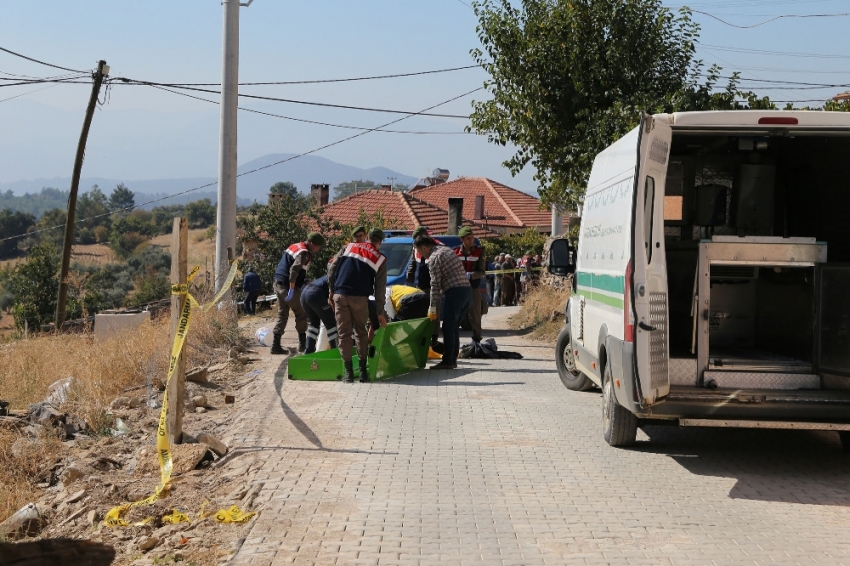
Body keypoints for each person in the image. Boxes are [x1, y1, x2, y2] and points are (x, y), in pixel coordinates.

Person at [328, 228, 388, 383]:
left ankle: (348, 373)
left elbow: (332, 269)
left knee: (344, 333)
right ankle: (362, 373)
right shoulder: (380, 259)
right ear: (380, 242)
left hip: (340, 295)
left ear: (367, 237)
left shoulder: (348, 247)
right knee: (361, 332)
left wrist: (331, 290)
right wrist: (380, 312)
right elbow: (380, 289)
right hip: (360, 298)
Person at [415, 234, 471, 370]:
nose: (421, 255)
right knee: (453, 328)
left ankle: (449, 361)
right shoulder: (446, 250)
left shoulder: (434, 258)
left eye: (420, 251)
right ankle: (452, 358)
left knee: (448, 327)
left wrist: (432, 307)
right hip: (467, 292)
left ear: (424, 247)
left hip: (454, 292)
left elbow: (435, 285)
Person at [271, 232, 326, 355]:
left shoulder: (295, 246)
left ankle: (275, 345)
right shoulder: (304, 253)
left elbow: (289, 266)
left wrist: (303, 280)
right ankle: (303, 345)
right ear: (311, 243)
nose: (318, 249)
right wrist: (292, 287)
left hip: (278, 284)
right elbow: (294, 269)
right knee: (301, 313)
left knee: (282, 314)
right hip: (288, 287)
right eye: (317, 246)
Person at [406, 226, 442, 349]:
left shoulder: (437, 246)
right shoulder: (415, 247)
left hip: (432, 286)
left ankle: (434, 340)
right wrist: (409, 275)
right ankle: (421, 339)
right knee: (420, 313)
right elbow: (413, 262)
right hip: (419, 286)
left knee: (434, 314)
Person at [453, 226, 486, 343]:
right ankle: (453, 341)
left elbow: (482, 271)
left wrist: (471, 275)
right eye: (468, 238)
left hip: (473, 288)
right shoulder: (455, 251)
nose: (471, 240)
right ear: (462, 239)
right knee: (455, 316)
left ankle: (477, 340)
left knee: (476, 316)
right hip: (458, 289)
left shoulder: (479, 251)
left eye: (472, 238)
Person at [299, 274, 339, 354]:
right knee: (331, 324)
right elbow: (333, 298)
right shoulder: (339, 278)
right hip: (315, 294)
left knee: (314, 324)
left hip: (304, 294)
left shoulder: (328, 277)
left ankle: (308, 351)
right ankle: (336, 351)